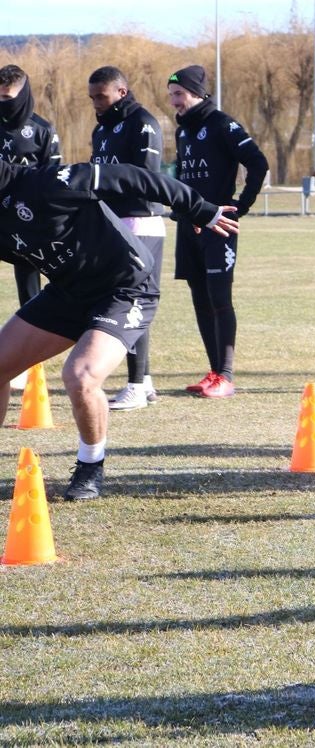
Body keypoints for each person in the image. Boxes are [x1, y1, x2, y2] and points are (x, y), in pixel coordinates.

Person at [0, 159, 238, 499]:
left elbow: (136, 178)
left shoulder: (51, 182)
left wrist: (199, 209)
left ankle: (90, 467)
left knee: (80, 376)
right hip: (67, 293)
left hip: (126, 290)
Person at [167, 65, 269, 398]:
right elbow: (183, 176)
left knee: (219, 298)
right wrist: (182, 210)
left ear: (196, 92)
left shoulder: (222, 124)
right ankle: (213, 373)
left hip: (219, 226)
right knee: (200, 299)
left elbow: (258, 163)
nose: (174, 103)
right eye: (171, 96)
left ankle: (226, 375)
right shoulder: (183, 132)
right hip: (189, 226)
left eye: (179, 95)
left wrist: (242, 205)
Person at [88, 66, 166, 411]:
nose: (96, 103)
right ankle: (144, 381)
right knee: (123, 301)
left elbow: (145, 177)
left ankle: (135, 385)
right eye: (92, 97)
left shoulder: (142, 123)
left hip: (140, 222)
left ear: (121, 92)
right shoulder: (101, 129)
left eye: (101, 97)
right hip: (114, 222)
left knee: (133, 305)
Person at [0, 64, 61, 309]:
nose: (1, 102)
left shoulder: (42, 130)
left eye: (6, 97)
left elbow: (55, 178)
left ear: (23, 94)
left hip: (29, 217)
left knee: (30, 287)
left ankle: (36, 331)